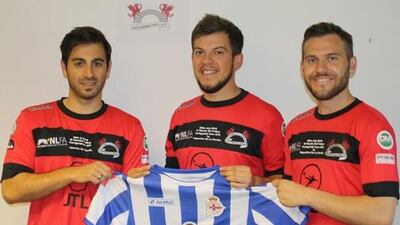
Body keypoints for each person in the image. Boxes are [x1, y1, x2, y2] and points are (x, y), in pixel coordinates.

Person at [1, 26, 148, 225]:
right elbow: (10, 190)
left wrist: (129, 184)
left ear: (108, 68)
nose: (89, 73)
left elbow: (140, 201)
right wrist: (72, 174)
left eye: (97, 63)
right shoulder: (32, 119)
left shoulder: (130, 127)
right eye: (79, 63)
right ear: (64, 67)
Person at [272, 22, 399, 225]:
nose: (321, 69)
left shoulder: (373, 126)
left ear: (352, 65)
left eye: (332, 58)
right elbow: (287, 197)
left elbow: (381, 214)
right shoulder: (295, 128)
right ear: (302, 68)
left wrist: (309, 195)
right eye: (312, 60)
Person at [150, 14, 284, 188]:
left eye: (218, 52)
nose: (206, 61)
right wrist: (140, 178)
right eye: (199, 52)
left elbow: (285, 184)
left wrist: (255, 182)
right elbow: (171, 181)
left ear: (237, 61)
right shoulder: (181, 116)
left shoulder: (267, 116)